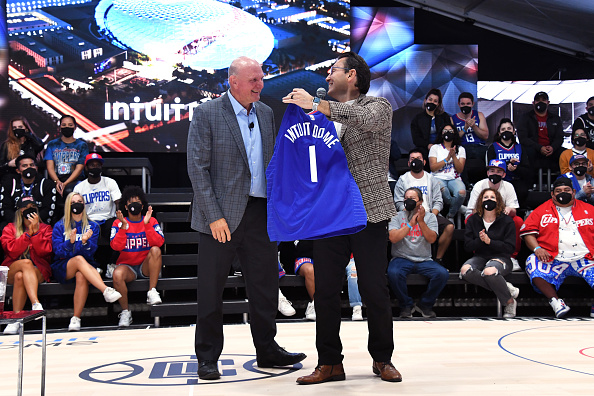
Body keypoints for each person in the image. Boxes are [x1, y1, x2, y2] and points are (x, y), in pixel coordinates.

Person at [285, 51, 401, 384]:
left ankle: (382, 358)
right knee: (324, 292)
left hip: (367, 211)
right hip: (329, 214)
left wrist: (318, 105)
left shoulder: (378, 107)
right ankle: (330, 362)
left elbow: (361, 119)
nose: (326, 77)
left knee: (374, 289)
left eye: (332, 70)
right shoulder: (319, 118)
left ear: (351, 75)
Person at [187, 56, 305, 381]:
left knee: (265, 287)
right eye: (253, 80)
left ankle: (267, 349)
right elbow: (197, 168)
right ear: (233, 81)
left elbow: (271, 163)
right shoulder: (208, 112)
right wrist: (214, 216)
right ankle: (207, 357)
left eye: (261, 79)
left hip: (260, 213)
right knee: (211, 290)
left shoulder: (266, 113)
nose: (260, 85)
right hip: (219, 217)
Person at [520, 177, 594, 318]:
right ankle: (556, 302)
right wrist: (537, 249)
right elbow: (528, 233)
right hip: (553, 258)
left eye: (566, 190)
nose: (562, 193)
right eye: (558, 191)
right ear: (552, 194)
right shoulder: (541, 210)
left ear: (573, 192)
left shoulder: (589, 209)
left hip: (585, 257)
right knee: (532, 261)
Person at [51, 192, 122, 331]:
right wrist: (69, 243)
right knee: (78, 259)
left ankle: (76, 318)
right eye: (73, 202)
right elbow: (58, 251)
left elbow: (91, 252)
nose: (77, 205)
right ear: (68, 206)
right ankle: (105, 290)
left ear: (84, 205)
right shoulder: (60, 226)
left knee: (81, 274)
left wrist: (84, 242)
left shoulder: (93, 226)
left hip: (85, 266)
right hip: (63, 266)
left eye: (79, 201)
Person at [387, 188, 449, 318]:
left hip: (424, 259)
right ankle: (406, 305)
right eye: (406, 198)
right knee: (393, 273)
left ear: (420, 201)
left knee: (442, 274)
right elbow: (393, 237)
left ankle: (425, 305)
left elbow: (432, 239)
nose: (408, 200)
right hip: (401, 258)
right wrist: (410, 224)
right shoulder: (396, 216)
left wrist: (420, 221)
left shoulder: (430, 217)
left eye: (412, 198)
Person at [110, 186, 164, 327]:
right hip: (128, 267)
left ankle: (152, 291)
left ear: (142, 205)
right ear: (126, 206)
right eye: (131, 202)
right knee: (117, 274)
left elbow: (159, 242)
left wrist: (146, 225)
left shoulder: (151, 221)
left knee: (156, 250)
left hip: (145, 266)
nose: (134, 204)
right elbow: (116, 246)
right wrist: (123, 228)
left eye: (138, 201)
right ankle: (126, 312)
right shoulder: (118, 223)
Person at [461, 188, 519, 318]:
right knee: (465, 270)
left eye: (492, 197)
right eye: (485, 197)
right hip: (481, 256)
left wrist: (490, 241)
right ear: (480, 201)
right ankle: (507, 288)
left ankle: (509, 302)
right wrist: (481, 241)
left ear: (498, 201)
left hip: (501, 257)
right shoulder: (473, 220)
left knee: (489, 272)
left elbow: (510, 248)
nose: (489, 200)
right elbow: (468, 246)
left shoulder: (506, 221)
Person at [394, 148, 454, 267]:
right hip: (408, 214)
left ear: (424, 162)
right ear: (408, 163)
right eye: (412, 159)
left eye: (419, 159)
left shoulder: (431, 179)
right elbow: (399, 203)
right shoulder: (402, 180)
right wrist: (410, 215)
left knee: (449, 227)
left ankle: (438, 259)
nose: (416, 161)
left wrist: (432, 216)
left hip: (429, 214)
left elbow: (438, 201)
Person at [1, 196, 52, 334]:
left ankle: (16, 319)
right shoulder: (9, 228)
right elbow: (11, 251)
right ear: (19, 211)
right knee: (24, 265)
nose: (30, 210)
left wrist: (36, 233)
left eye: (32, 207)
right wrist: (28, 234)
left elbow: (45, 252)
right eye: (26, 208)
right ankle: (36, 303)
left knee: (20, 276)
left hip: (38, 269)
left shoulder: (45, 228)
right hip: (13, 266)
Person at [465, 160, 523, 270]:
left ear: (504, 174)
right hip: (482, 215)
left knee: (518, 221)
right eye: (492, 171)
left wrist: (508, 209)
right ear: (487, 173)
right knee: (469, 220)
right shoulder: (479, 185)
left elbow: (514, 210)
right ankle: (478, 253)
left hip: (501, 218)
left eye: (498, 171)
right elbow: (473, 210)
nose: (495, 174)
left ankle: (512, 257)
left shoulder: (508, 186)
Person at [73, 153, 122, 273]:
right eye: (92, 165)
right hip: (88, 220)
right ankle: (93, 265)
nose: (95, 167)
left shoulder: (109, 182)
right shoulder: (80, 187)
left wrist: (120, 218)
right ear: (86, 167)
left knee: (119, 228)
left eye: (98, 165)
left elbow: (118, 202)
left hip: (108, 219)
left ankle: (112, 264)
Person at [0, 154, 57, 231]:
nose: (29, 168)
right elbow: (6, 210)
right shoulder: (9, 184)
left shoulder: (46, 184)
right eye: (24, 166)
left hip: (39, 223)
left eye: (31, 165)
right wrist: (22, 223)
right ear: (18, 170)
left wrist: (33, 222)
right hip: (16, 224)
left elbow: (48, 210)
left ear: (36, 168)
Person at [486, 118, 531, 208]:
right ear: (499, 133)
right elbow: (490, 167)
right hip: (498, 180)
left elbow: (527, 170)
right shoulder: (493, 147)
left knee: (522, 191)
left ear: (514, 132)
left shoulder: (520, 148)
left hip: (516, 179)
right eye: (503, 129)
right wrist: (507, 164)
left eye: (509, 129)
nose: (506, 131)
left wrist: (516, 169)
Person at [516, 91, 563, 173]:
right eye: (538, 100)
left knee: (565, 153)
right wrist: (539, 148)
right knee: (527, 153)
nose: (540, 102)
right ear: (533, 103)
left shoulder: (555, 118)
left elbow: (559, 137)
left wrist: (552, 147)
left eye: (543, 100)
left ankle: (562, 182)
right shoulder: (525, 117)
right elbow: (523, 138)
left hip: (551, 149)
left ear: (548, 103)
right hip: (533, 149)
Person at [44, 115, 89, 201]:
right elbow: (50, 166)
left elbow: (79, 168)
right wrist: (57, 181)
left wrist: (65, 184)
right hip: (56, 179)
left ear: (75, 127)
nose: (67, 127)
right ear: (60, 127)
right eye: (64, 125)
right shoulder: (52, 144)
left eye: (70, 125)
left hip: (76, 180)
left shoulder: (82, 145)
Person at [429, 124, 467, 222]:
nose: (447, 133)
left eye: (450, 131)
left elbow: (460, 169)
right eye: (445, 130)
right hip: (438, 177)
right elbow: (433, 168)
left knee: (462, 193)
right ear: (441, 133)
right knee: (443, 190)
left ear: (454, 133)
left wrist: (454, 156)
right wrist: (447, 159)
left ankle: (450, 215)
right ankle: (457, 206)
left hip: (454, 178)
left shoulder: (461, 149)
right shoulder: (435, 148)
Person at [452, 92, 489, 184]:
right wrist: (465, 128)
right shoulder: (453, 118)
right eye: (463, 104)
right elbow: (453, 139)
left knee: (489, 154)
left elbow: (485, 136)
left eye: (468, 104)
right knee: (460, 154)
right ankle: (466, 184)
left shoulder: (479, 115)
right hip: (463, 147)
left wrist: (474, 126)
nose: (465, 106)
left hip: (479, 146)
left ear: (473, 104)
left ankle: (485, 184)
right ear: (459, 104)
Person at [411, 88, 452, 155]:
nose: (432, 102)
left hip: (442, 148)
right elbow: (416, 139)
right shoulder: (417, 118)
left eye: (435, 101)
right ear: (425, 101)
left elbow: (449, 134)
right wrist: (428, 145)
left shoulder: (444, 117)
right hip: (424, 149)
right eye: (430, 99)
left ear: (438, 104)